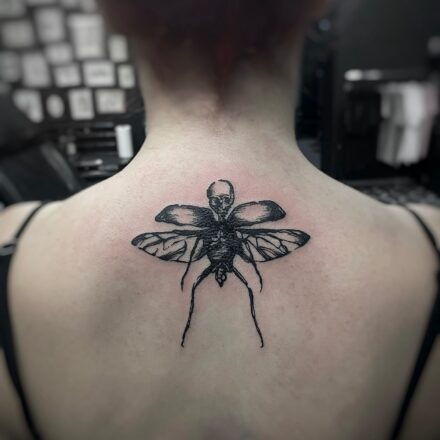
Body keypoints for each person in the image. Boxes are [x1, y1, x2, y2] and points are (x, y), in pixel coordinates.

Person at [0, 0, 439, 438]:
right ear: (320, 7)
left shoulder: (13, 248)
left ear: (111, 13)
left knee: (202, 284)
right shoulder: (426, 251)